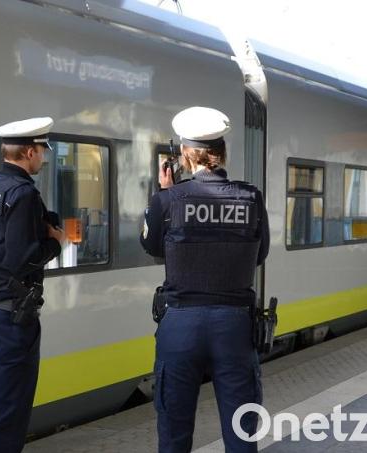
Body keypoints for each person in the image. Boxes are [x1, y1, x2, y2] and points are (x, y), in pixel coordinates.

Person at [140, 107, 270, 453]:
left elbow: (152, 247)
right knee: (241, 432)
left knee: (174, 433)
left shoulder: (167, 199)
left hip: (180, 324)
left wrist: (163, 194)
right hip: (234, 326)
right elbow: (260, 255)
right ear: (222, 153)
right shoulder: (251, 198)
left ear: (184, 155)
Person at [0, 117, 67, 453]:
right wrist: (57, 242)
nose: (44, 159)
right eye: (42, 152)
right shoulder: (23, 195)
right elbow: (24, 258)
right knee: (10, 412)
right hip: (11, 319)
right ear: (30, 152)